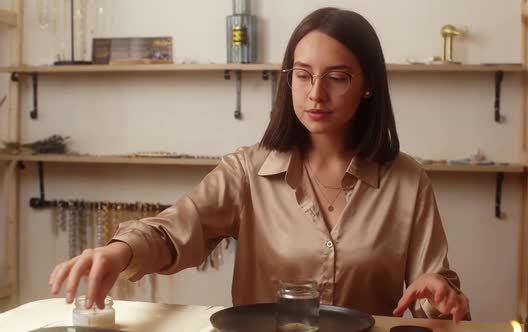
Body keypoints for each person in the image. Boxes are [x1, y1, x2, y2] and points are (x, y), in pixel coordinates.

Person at [49, 7, 470, 322]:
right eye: (303, 75)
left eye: (337, 77)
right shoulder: (247, 172)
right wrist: (119, 252)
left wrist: (441, 299)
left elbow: (434, 300)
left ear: (368, 86)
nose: (315, 94)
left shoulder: (407, 182)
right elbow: (175, 229)